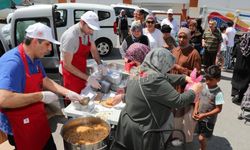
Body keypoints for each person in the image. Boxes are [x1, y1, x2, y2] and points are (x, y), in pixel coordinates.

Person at [0, 22, 82, 150]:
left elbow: (45, 80)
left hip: (37, 118)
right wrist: (40, 96)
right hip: (19, 126)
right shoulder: (12, 63)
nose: (50, 49)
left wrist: (68, 92)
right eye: (47, 44)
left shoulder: (35, 58)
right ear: (34, 42)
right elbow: (4, 99)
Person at [110, 48, 203, 150]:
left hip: (127, 125)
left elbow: (163, 77)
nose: (167, 69)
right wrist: (194, 91)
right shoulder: (154, 79)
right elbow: (178, 101)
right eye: (167, 65)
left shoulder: (138, 70)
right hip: (144, 130)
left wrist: (184, 78)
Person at [60, 11, 105, 106]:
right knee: (74, 102)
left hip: (81, 70)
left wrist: (100, 63)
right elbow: (67, 65)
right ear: (82, 22)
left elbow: (94, 50)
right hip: (70, 75)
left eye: (93, 29)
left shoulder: (88, 32)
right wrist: (88, 78)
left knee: (84, 98)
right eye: (90, 28)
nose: (92, 31)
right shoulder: (71, 37)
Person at [171, 27, 202, 144]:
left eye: (184, 37)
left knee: (187, 116)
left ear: (189, 38)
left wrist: (182, 69)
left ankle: (186, 140)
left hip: (187, 90)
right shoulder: (175, 50)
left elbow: (198, 74)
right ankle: (176, 136)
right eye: (179, 36)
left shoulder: (194, 54)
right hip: (174, 88)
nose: (181, 39)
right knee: (176, 115)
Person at [193, 65, 224, 150]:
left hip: (209, 121)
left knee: (201, 138)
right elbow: (198, 98)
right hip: (199, 117)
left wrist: (205, 115)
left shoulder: (219, 93)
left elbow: (219, 109)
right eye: (206, 78)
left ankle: (203, 148)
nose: (207, 81)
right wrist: (195, 109)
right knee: (198, 135)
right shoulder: (203, 86)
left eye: (210, 79)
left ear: (218, 80)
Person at [231, 32, 250, 104]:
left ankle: (234, 93)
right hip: (247, 69)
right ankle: (240, 98)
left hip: (237, 67)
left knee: (235, 79)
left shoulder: (238, 46)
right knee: (245, 83)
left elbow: (233, 55)